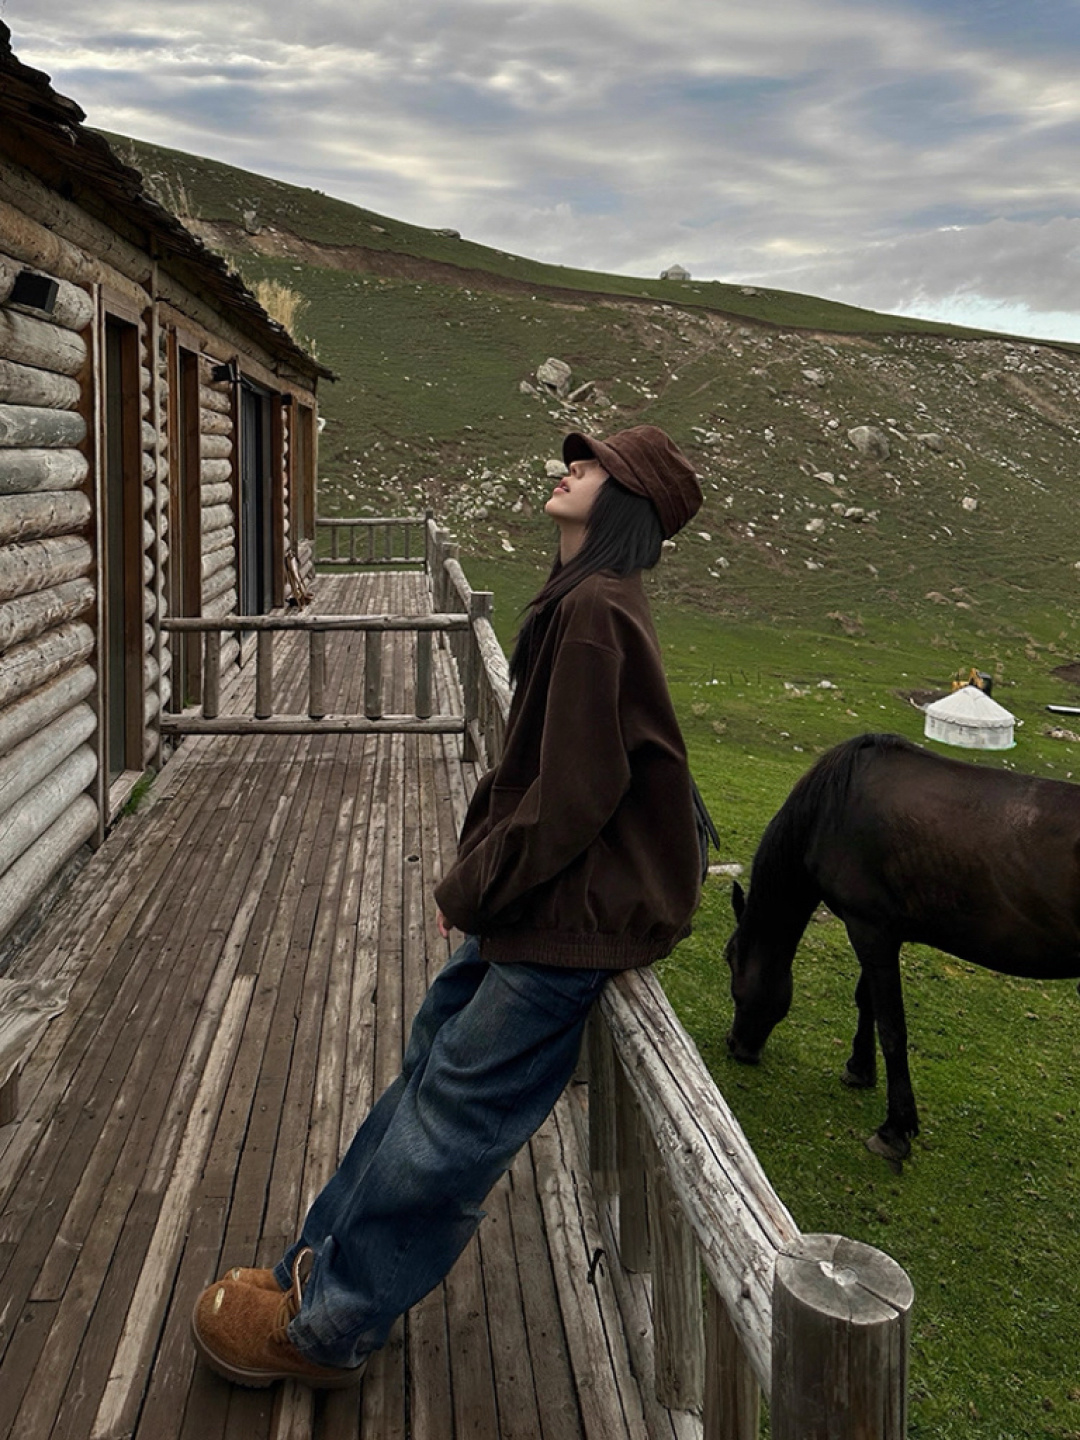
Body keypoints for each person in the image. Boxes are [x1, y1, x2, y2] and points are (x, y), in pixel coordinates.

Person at [191, 423, 705, 1389]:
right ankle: (314, 1266)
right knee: (425, 1078)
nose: (571, 469)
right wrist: (481, 883)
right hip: (542, 906)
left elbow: (575, 795)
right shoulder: (580, 599)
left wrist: (473, 887)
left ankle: (326, 1330)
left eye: (594, 465)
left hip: (571, 922)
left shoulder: (597, 610)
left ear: (627, 501)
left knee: (448, 1129)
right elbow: (537, 779)